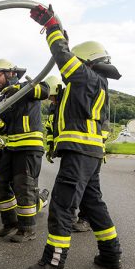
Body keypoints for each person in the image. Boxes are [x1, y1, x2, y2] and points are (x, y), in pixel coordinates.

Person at [25, 5, 122, 269]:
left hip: (80, 153)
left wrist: (53, 29)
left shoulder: (88, 79)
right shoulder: (94, 82)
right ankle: (111, 254)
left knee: (62, 206)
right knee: (92, 205)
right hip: (89, 152)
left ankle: (53, 262)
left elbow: (63, 58)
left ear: (86, 61)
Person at [0, 59, 50, 242]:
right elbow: (3, 130)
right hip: (11, 148)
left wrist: (22, 90)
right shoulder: (0, 101)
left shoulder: (27, 88)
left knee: (24, 187)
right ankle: (10, 223)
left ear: (11, 73)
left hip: (29, 148)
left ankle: (27, 229)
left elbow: (45, 90)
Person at [44, 74, 91, 233]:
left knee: (82, 188)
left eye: (53, 96)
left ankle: (84, 219)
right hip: (67, 149)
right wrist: (51, 147)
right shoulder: (54, 107)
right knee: (77, 187)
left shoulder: (71, 101)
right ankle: (73, 218)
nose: (51, 100)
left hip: (84, 150)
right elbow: (51, 128)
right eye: (49, 97)